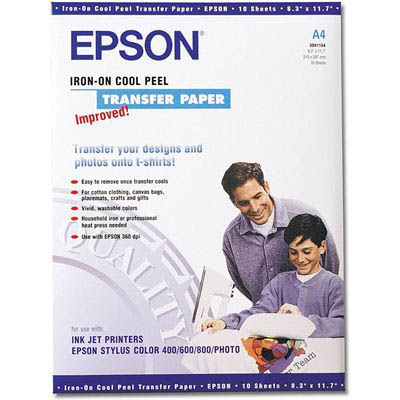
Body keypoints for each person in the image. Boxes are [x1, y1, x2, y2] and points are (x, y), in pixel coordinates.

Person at [202, 214, 345, 338]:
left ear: (322, 247)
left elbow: (342, 324)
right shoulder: (279, 283)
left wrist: (301, 322)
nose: (300, 259)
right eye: (293, 252)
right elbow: (257, 314)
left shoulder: (334, 284)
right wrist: (225, 322)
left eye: (307, 251)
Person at [221, 162, 339, 304]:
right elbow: (242, 285)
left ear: (266, 186)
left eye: (258, 196)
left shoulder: (305, 215)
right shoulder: (232, 238)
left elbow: (331, 267)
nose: (255, 208)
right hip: (263, 316)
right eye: (244, 203)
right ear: (234, 202)